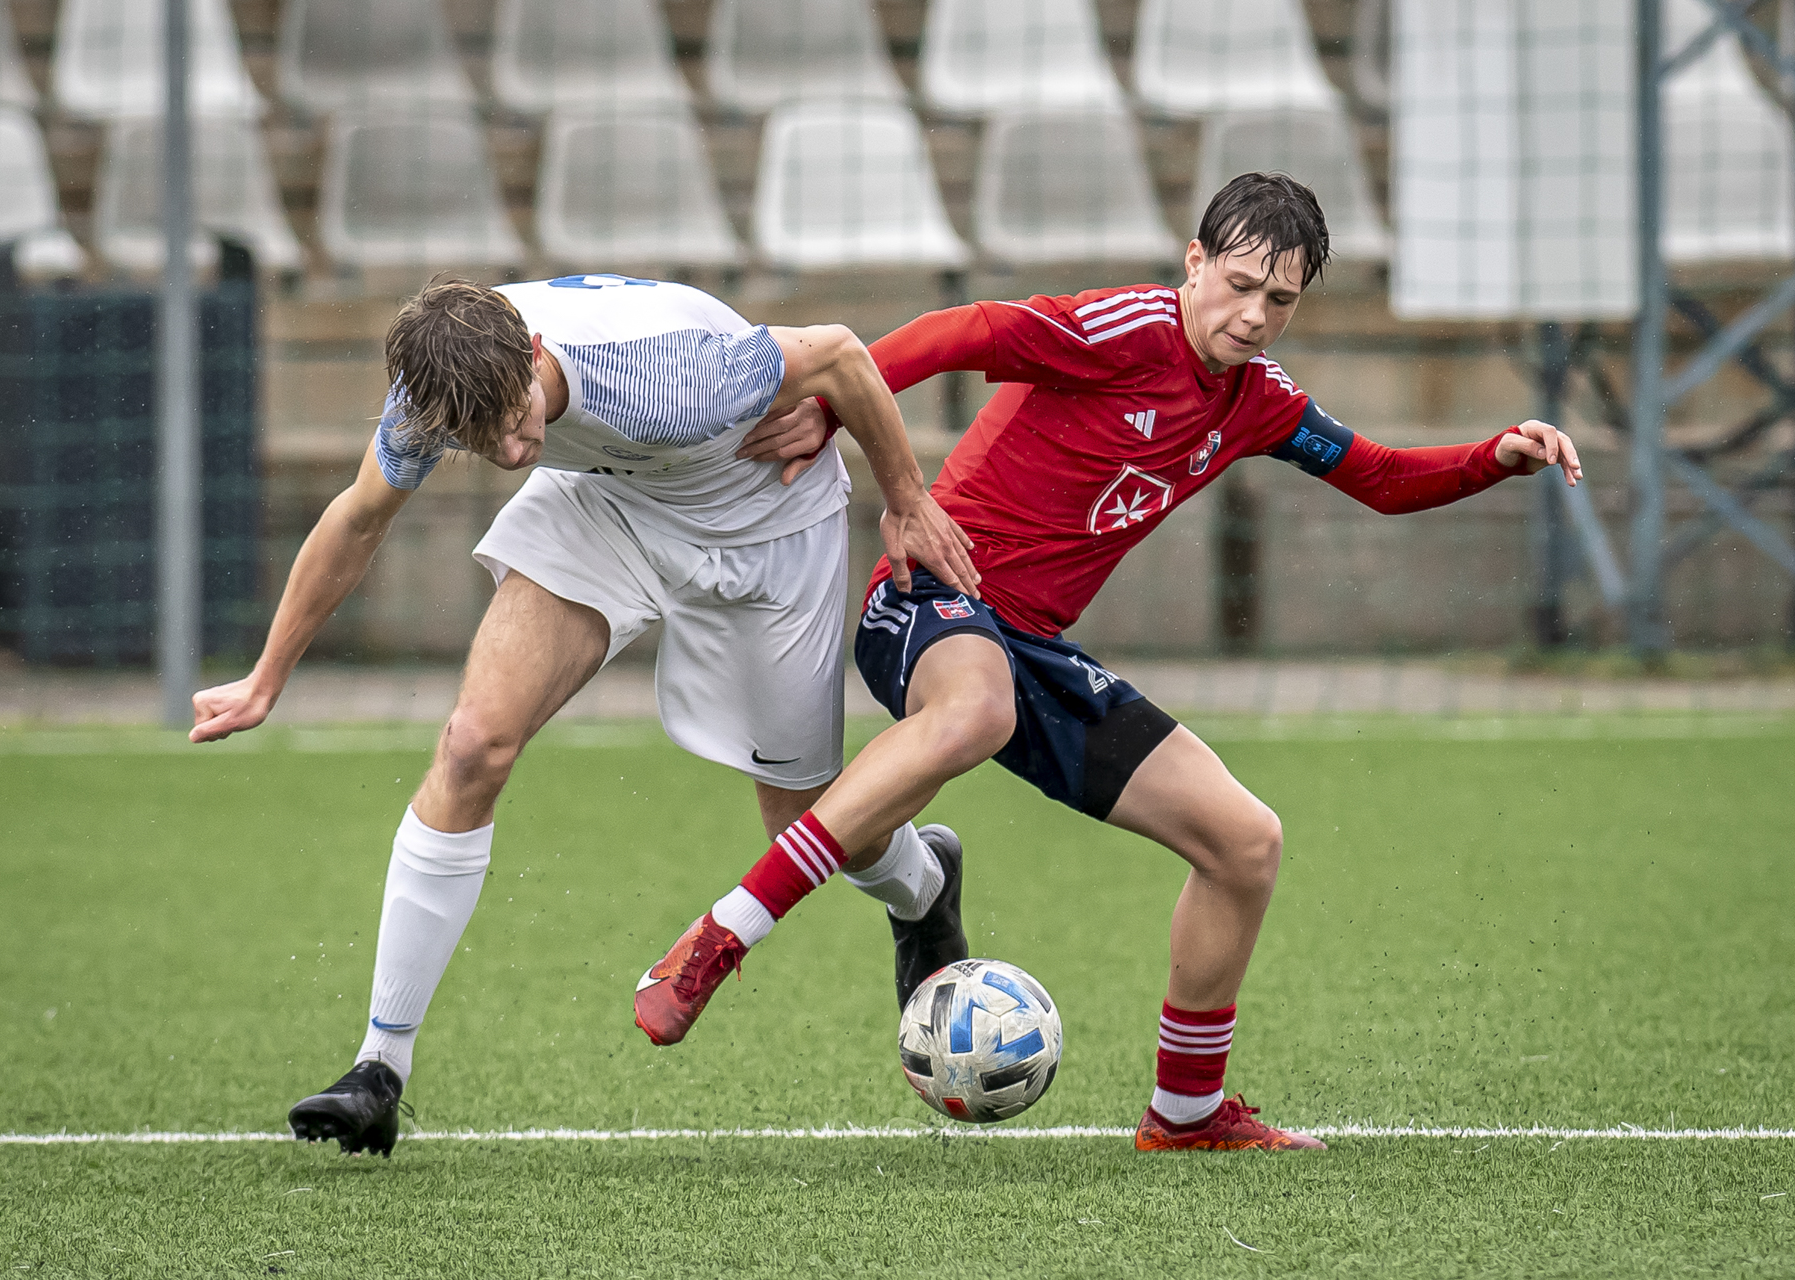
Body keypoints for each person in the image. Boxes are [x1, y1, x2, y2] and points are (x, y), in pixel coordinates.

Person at [633, 174, 1585, 1152]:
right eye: (1240, 285)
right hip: (928, 597)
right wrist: (838, 405)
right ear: (1194, 263)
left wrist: (1493, 457)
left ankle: (1187, 1113)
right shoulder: (1124, 331)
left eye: (1281, 299)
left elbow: (1378, 477)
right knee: (978, 710)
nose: (1255, 316)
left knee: (1245, 843)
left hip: (1033, 649)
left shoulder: (1259, 400)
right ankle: (722, 935)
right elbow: (963, 329)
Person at [189, 273, 977, 1156]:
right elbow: (359, 517)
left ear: (534, 352)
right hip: (609, 507)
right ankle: (379, 1067)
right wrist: (266, 677)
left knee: (803, 820)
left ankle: (924, 884)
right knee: (472, 747)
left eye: (515, 418)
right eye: (480, 440)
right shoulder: (436, 393)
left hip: (764, 520)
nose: (511, 451)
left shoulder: (667, 377)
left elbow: (838, 352)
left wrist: (907, 499)